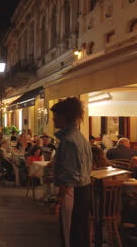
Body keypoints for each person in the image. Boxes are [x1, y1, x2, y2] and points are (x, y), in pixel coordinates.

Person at [51, 97, 92, 247]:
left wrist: (59, 200)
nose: (53, 120)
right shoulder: (81, 138)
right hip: (84, 190)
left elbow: (69, 177)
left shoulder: (68, 141)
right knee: (80, 233)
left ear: (64, 117)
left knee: (70, 235)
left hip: (73, 193)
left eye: (55, 117)